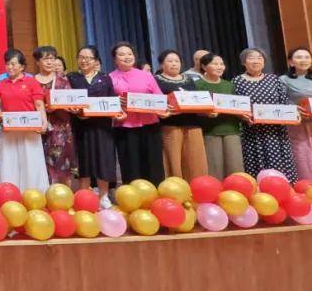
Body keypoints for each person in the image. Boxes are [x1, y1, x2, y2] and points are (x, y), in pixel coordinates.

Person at [234, 47, 296, 181]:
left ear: (264, 62)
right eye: (251, 58)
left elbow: (284, 102)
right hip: (252, 131)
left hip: (276, 130)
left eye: (259, 58)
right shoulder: (237, 81)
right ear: (244, 62)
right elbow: (236, 106)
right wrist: (241, 115)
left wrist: (292, 114)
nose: (256, 61)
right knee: (255, 162)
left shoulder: (274, 79)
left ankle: (284, 186)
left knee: (280, 162)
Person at [109, 41, 166, 186]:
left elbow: (159, 97)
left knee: (153, 164)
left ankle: (156, 193)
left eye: (130, 54)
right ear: (115, 59)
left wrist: (164, 110)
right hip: (125, 127)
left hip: (150, 125)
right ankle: (133, 194)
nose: (127, 57)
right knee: (130, 165)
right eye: (122, 54)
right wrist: (116, 104)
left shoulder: (146, 75)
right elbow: (108, 102)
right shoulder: (110, 78)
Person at [67, 45, 118, 208]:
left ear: (96, 60)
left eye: (88, 58)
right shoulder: (71, 78)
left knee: (103, 159)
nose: (84, 61)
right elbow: (68, 100)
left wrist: (117, 112)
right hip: (81, 126)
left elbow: (112, 100)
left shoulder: (105, 78)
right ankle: (84, 197)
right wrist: (74, 111)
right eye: (81, 57)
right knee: (84, 160)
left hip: (102, 127)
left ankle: (103, 196)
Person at [0, 48, 50, 192]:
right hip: (9, 130)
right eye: (7, 64)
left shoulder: (31, 82)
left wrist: (44, 122)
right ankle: (9, 193)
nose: (10, 67)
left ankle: (34, 193)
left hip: (29, 129)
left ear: (22, 66)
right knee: (8, 162)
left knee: (31, 161)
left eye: (13, 64)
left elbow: (39, 104)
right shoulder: (1, 84)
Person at [154, 49, 207, 180]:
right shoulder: (156, 80)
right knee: (174, 160)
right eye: (170, 61)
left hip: (193, 124)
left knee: (195, 160)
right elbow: (155, 102)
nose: (174, 64)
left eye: (177, 61)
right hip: (170, 125)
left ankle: (196, 186)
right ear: (161, 64)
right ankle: (176, 187)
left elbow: (197, 99)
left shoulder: (189, 80)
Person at [193, 53, 244, 177]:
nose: (220, 67)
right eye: (215, 64)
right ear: (204, 66)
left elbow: (237, 106)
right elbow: (193, 109)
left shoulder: (229, 85)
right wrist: (205, 113)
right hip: (210, 131)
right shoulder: (196, 85)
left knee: (235, 168)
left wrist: (243, 113)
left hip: (231, 129)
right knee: (214, 168)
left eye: (222, 64)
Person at [33, 45, 77, 186]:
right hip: (38, 129)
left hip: (61, 128)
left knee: (63, 164)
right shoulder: (31, 81)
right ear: (37, 61)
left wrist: (59, 106)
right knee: (41, 164)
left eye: (52, 59)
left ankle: (65, 195)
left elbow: (71, 103)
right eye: (46, 59)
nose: (50, 62)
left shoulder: (63, 81)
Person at [281, 46, 312, 182]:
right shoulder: (283, 80)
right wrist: (294, 109)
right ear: (291, 62)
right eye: (299, 57)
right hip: (298, 125)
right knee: (303, 158)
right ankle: (308, 188)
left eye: (307, 57)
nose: (303, 60)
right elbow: (279, 101)